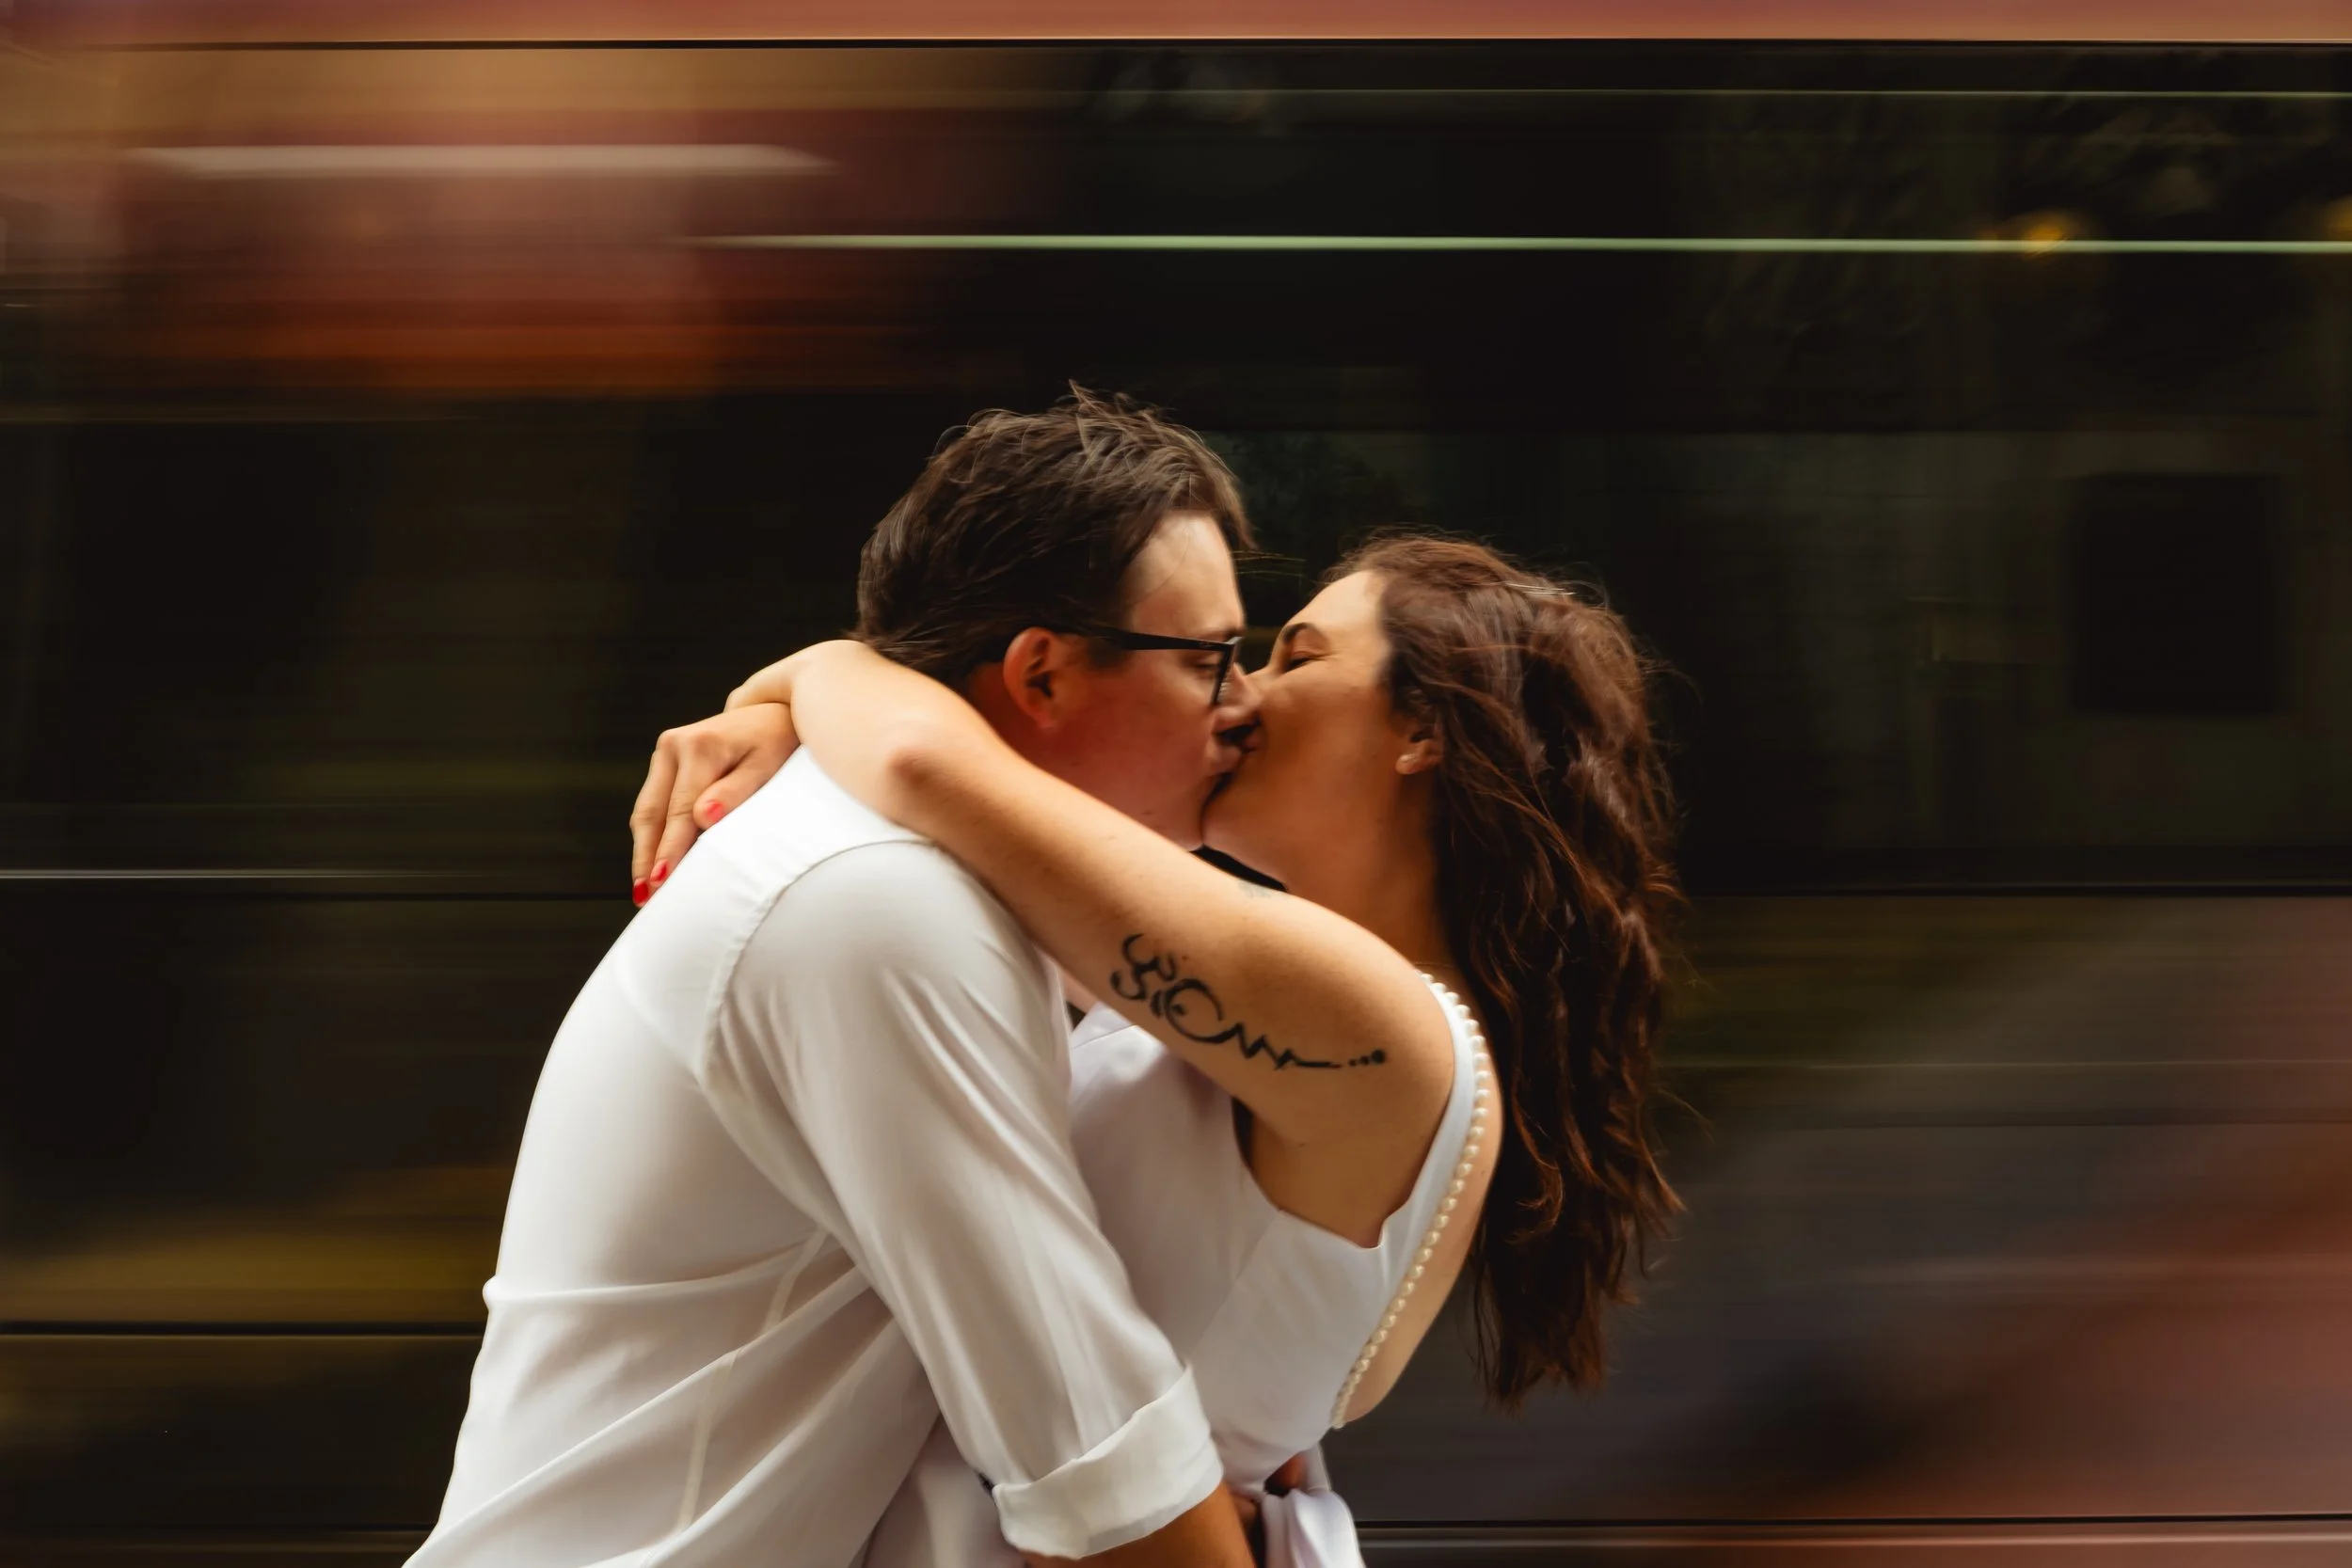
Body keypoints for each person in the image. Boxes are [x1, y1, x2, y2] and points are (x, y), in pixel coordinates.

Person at [636, 531, 1684, 1567]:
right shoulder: (1320, 1024)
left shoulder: (1375, 1025)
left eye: (1297, 657)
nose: (1239, 696)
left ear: (1422, 729)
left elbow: (922, 761)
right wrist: (787, 726)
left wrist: (815, 670)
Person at [409, 392, 1274, 1568]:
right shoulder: (880, 902)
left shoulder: (920, 876)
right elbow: (1089, 1454)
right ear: (1043, 674)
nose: (1246, 704)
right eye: (1212, 659)